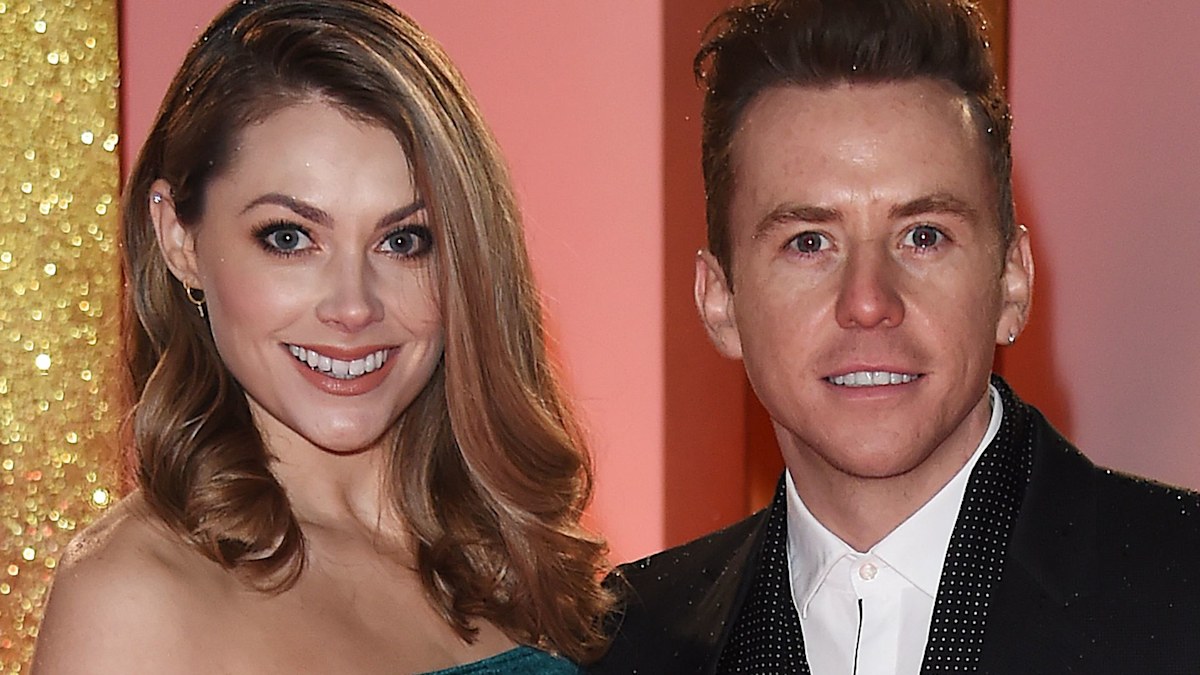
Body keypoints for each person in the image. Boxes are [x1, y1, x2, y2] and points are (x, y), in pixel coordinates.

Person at [591, 0, 1200, 673]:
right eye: (809, 242)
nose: (868, 302)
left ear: (1012, 282)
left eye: (923, 236)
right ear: (720, 302)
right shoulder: (621, 644)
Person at [32, 1, 612, 672]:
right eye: (289, 238)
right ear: (179, 239)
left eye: (404, 241)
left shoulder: (520, 559)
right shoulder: (131, 598)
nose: (353, 306)